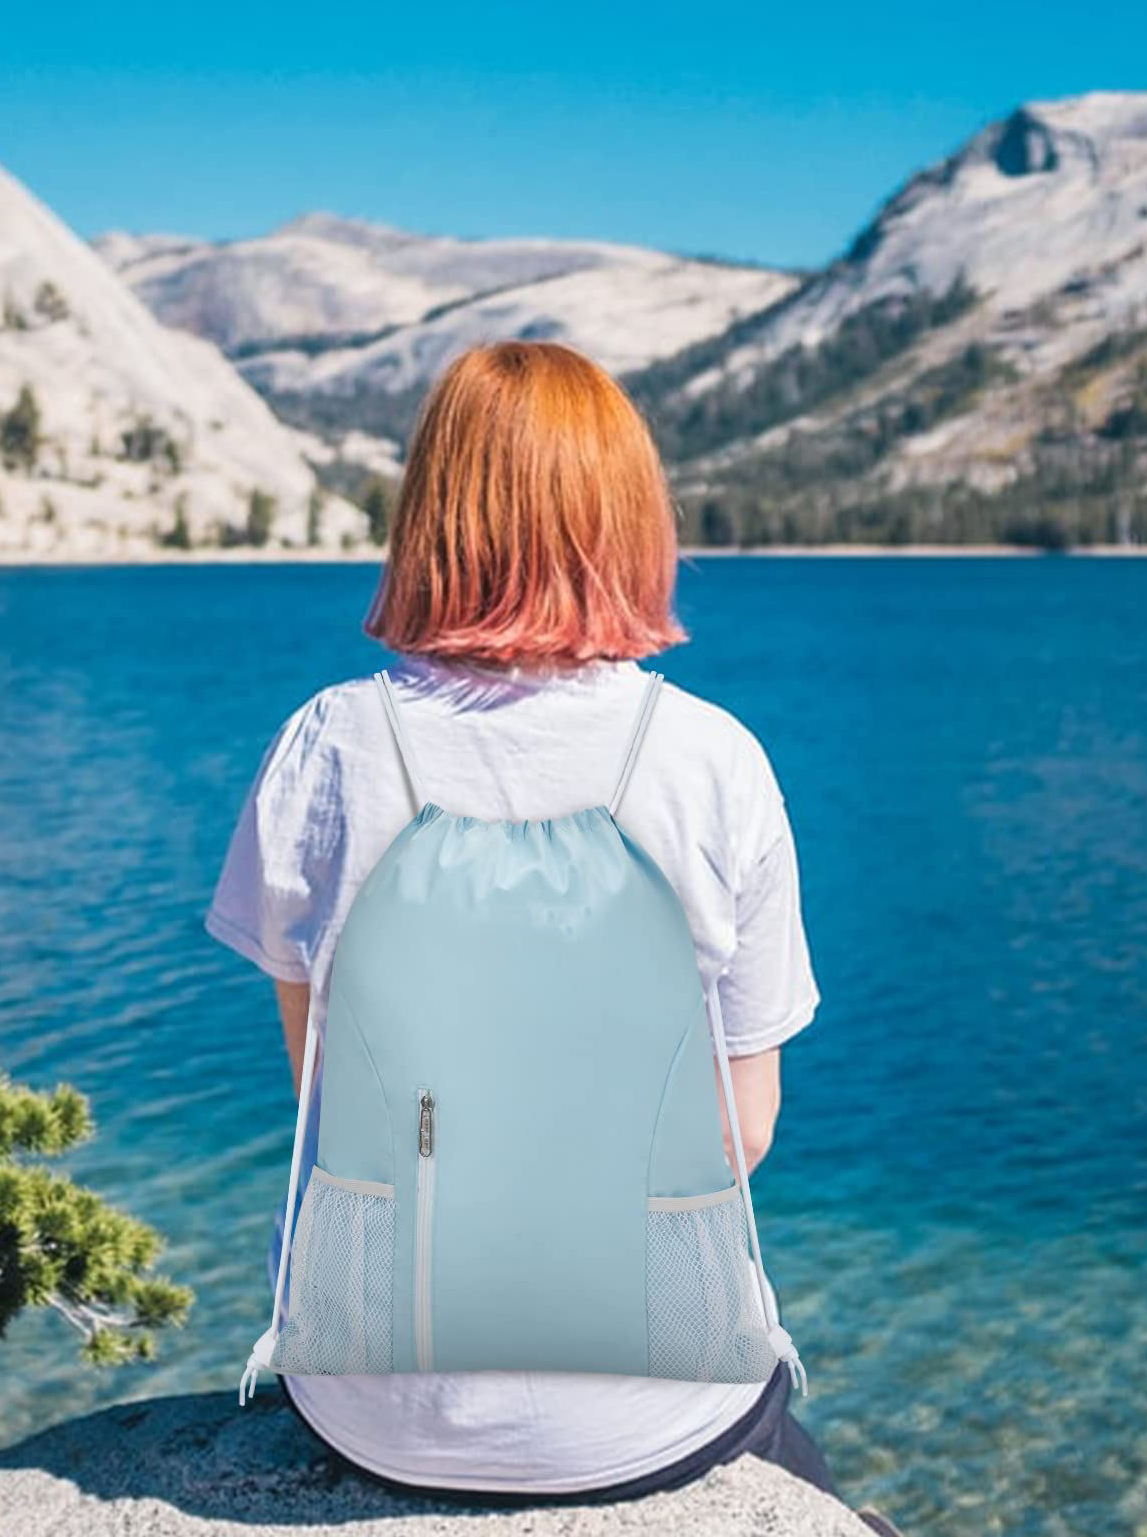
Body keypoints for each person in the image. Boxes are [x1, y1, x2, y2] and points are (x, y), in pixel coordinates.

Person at [206, 339, 834, 1505]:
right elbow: (741, 1130)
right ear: (630, 519)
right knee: (818, 1487)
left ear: (431, 514)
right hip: (654, 1403)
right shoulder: (713, 760)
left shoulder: (328, 742)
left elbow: (321, 1088)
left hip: (372, 1398)